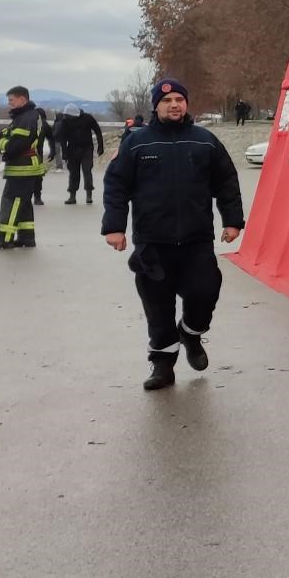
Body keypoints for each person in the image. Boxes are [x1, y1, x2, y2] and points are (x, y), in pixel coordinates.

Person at [101, 78, 244, 391]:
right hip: (153, 242)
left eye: (179, 99)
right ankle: (163, 366)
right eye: (167, 101)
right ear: (156, 106)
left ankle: (191, 333)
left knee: (205, 291)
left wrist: (232, 221)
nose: (174, 105)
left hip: (196, 240)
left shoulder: (205, 141)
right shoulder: (137, 143)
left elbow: (227, 183)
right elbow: (116, 185)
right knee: (158, 307)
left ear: (187, 104)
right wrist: (114, 226)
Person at [0, 86, 52, 251]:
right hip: (26, 167)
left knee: (11, 201)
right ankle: (26, 237)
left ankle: (4, 239)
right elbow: (11, 135)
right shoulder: (26, 117)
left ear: (22, 99)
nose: (9, 104)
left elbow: (15, 145)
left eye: (11, 101)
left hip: (23, 168)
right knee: (24, 203)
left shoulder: (26, 119)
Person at [53, 106, 106, 205]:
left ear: (74, 115)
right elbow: (62, 139)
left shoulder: (87, 118)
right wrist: (64, 153)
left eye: (68, 116)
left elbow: (97, 130)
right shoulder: (65, 121)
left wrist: (100, 146)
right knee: (73, 173)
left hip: (87, 149)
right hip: (72, 149)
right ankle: (72, 196)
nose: (67, 117)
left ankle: (89, 195)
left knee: (87, 170)